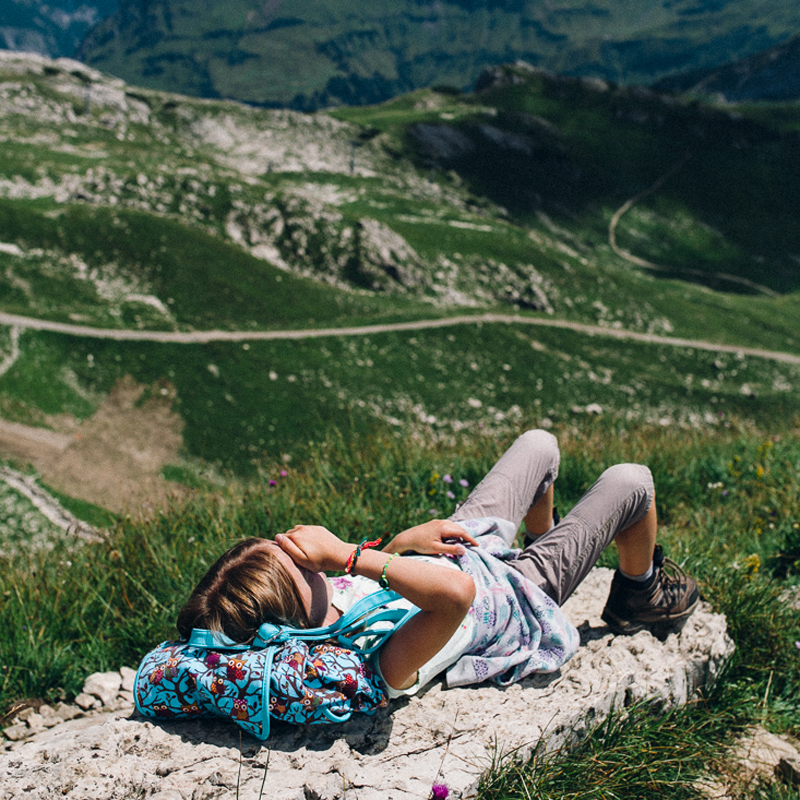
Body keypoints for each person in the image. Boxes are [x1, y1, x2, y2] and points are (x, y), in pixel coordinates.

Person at [177, 429, 699, 698]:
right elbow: (456, 599)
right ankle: (640, 593)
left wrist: (402, 543)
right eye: (305, 568)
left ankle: (549, 541)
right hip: (512, 593)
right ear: (292, 621)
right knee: (633, 482)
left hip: (460, 554)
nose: (313, 560)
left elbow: (372, 582)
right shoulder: (374, 665)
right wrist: (349, 555)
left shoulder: (327, 608)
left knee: (540, 446)